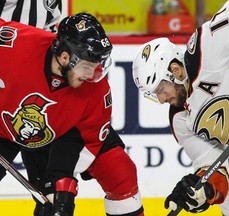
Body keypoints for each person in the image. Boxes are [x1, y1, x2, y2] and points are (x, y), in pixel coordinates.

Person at [132, 0, 229, 215]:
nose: (160, 99)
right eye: (153, 95)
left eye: (160, 89)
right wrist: (203, 188)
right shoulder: (181, 120)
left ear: (175, 70)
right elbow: (214, 167)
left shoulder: (206, 50)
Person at [0, 12, 144, 216]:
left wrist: (61, 184)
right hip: (5, 129)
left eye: (97, 67)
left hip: (65, 134)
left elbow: (86, 139)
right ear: (65, 57)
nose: (93, 75)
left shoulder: (96, 88)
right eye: (87, 66)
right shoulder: (16, 45)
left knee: (118, 171)